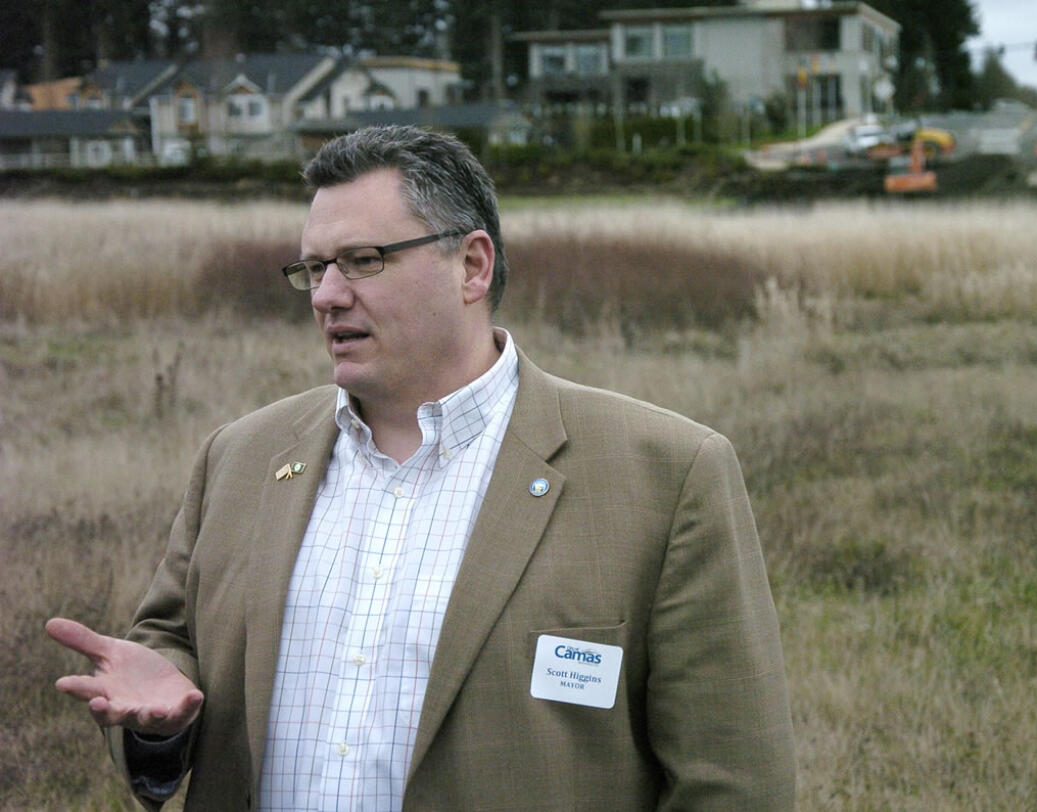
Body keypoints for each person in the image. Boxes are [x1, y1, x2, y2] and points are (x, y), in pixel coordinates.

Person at [47, 125, 795, 810]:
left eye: (362, 261)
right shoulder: (240, 457)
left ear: (471, 265)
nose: (328, 296)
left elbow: (732, 783)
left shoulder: (665, 475)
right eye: (312, 269)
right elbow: (167, 656)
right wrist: (154, 726)